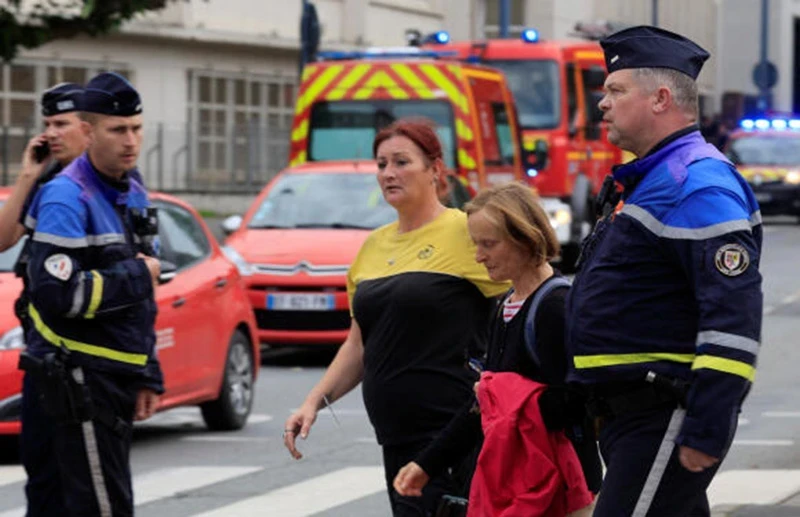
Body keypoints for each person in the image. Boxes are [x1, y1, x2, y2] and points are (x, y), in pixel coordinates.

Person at [566, 26, 763, 516]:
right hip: (633, 418)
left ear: (659, 98)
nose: (602, 104)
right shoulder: (653, 179)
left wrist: (707, 426)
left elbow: (732, 321)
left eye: (615, 90)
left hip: (662, 416)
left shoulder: (694, 185)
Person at [283, 119, 509, 516]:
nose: (388, 173)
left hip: (456, 433)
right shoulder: (372, 247)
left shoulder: (465, 230)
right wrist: (313, 402)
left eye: (402, 162)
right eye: (381, 164)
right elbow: (359, 344)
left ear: (435, 170)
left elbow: (524, 291)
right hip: (396, 438)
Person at [392, 182, 600, 516]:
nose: (479, 256)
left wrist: (506, 395)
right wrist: (427, 464)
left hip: (563, 490)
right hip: (519, 487)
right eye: (476, 244)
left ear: (525, 239)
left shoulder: (555, 307)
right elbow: (482, 406)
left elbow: (580, 400)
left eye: (489, 244)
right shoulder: (505, 307)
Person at [19, 72, 164, 517]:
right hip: (77, 378)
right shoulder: (66, 196)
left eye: (137, 129)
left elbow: (140, 304)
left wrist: (148, 371)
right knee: (100, 508)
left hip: (114, 375)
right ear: (88, 131)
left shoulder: (132, 188)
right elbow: (57, 295)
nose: (130, 141)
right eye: (117, 130)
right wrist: (138, 277)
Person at [1, 83, 89, 344]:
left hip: (86, 335)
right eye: (47, 125)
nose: (51, 133)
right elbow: (4, 240)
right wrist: (28, 175)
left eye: (61, 124)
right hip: (43, 337)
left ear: (88, 128)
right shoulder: (46, 180)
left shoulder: (109, 181)